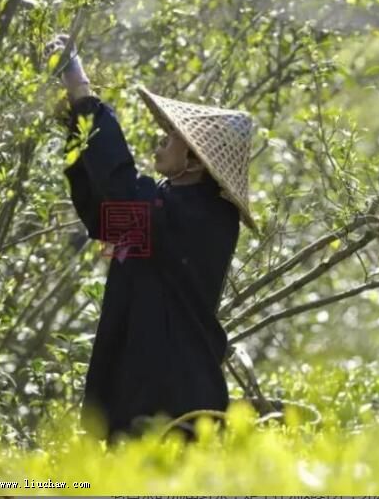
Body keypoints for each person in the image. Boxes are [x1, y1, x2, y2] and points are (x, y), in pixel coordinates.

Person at [45, 35, 257, 443]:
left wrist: (84, 96)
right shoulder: (168, 206)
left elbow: (124, 188)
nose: (161, 140)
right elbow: (102, 216)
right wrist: (79, 127)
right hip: (139, 390)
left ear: (195, 160)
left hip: (178, 399)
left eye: (172, 135)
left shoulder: (203, 216)